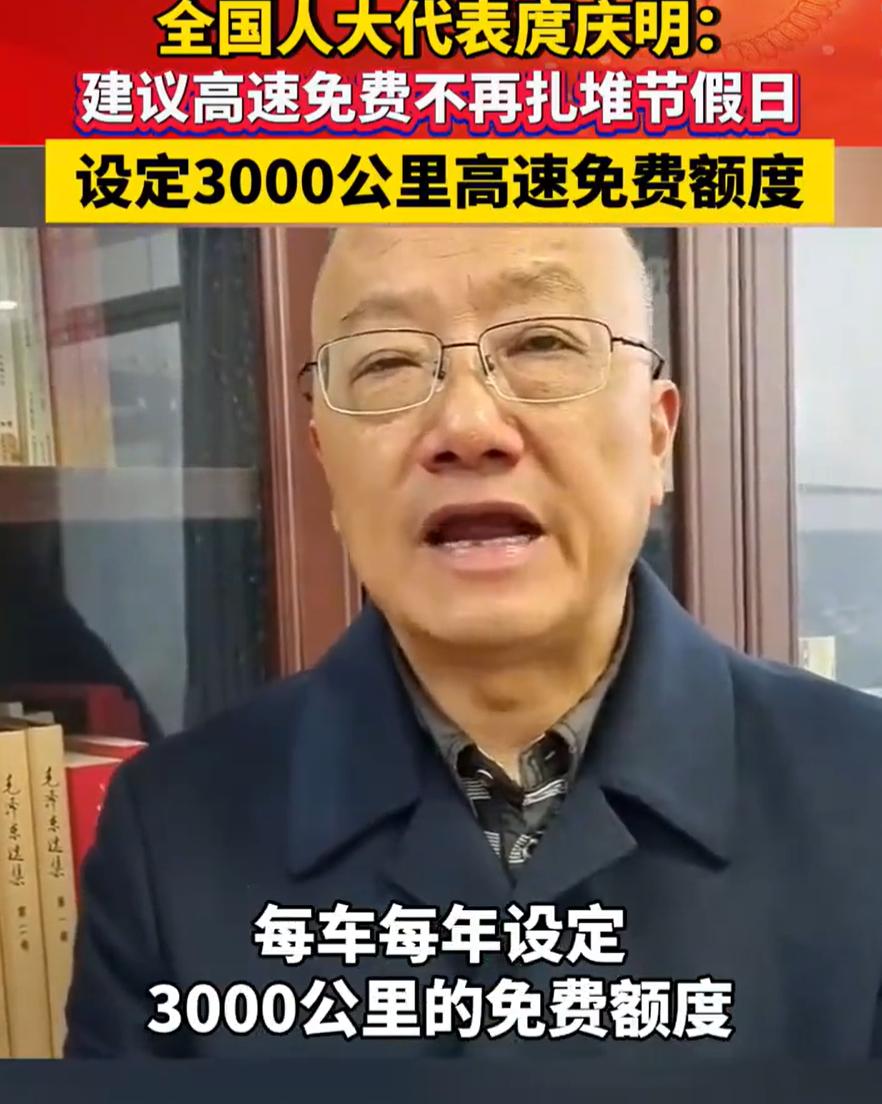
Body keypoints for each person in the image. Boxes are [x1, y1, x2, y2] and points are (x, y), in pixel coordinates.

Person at [64, 225, 882, 1060]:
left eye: (542, 345)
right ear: (326, 464)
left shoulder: (864, 792)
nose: (465, 424)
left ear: (655, 437)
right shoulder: (170, 831)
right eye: (387, 363)